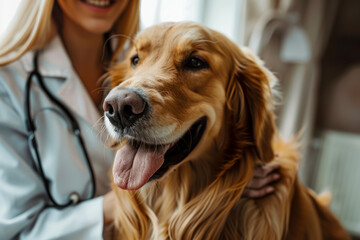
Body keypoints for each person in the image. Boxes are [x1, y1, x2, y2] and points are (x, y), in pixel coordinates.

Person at [0, 0, 280, 239]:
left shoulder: (147, 46)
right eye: (137, 61)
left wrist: (235, 175)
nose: (123, 103)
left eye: (194, 63)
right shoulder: (8, 82)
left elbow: (243, 145)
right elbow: (17, 233)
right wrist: (116, 204)